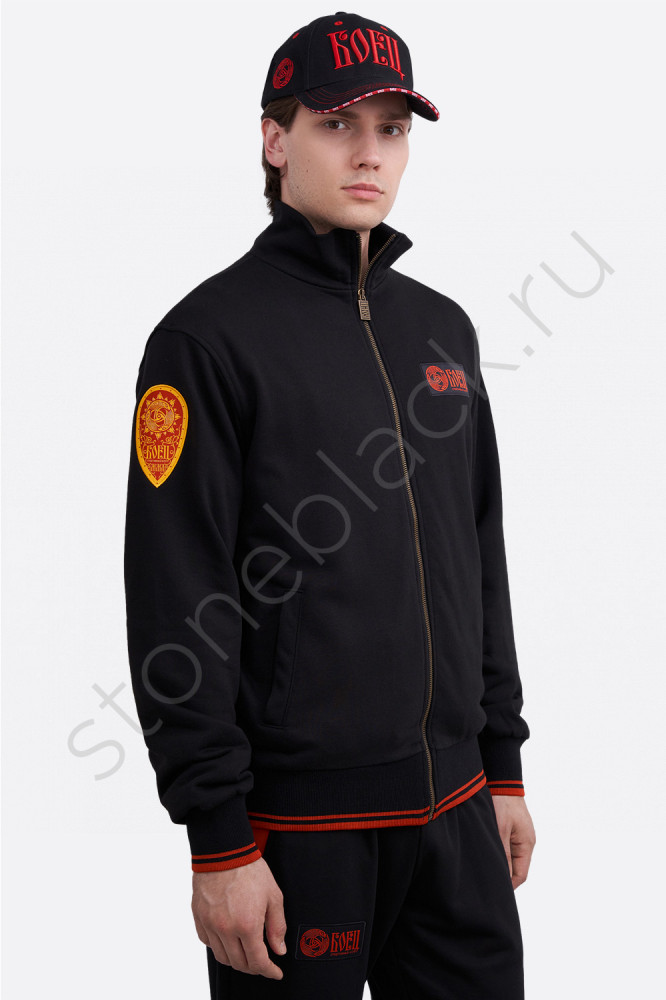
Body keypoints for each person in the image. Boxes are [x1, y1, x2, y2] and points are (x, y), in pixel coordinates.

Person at [124, 10, 536, 999]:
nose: (370, 154)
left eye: (391, 129)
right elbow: (176, 595)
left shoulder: (443, 330)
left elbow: (480, 554)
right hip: (299, 832)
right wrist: (218, 839)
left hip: (457, 811)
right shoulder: (205, 341)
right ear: (275, 138)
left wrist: (503, 764)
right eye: (337, 124)